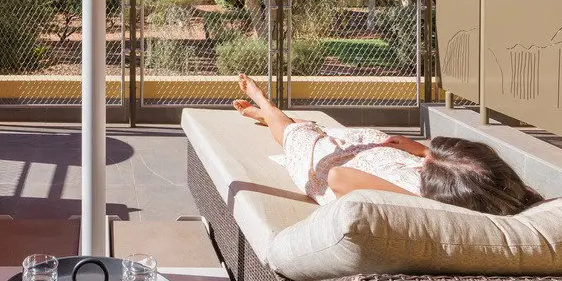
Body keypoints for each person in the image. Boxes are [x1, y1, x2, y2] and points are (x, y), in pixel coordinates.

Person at [231, 73, 540, 215]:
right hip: (382, 154)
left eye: (430, 159)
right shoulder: (491, 188)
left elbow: (337, 177)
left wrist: (420, 170)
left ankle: (265, 105)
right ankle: (275, 116)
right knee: (327, 133)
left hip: (339, 164)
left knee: (299, 136)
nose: (426, 156)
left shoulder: (421, 204)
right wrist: (420, 150)